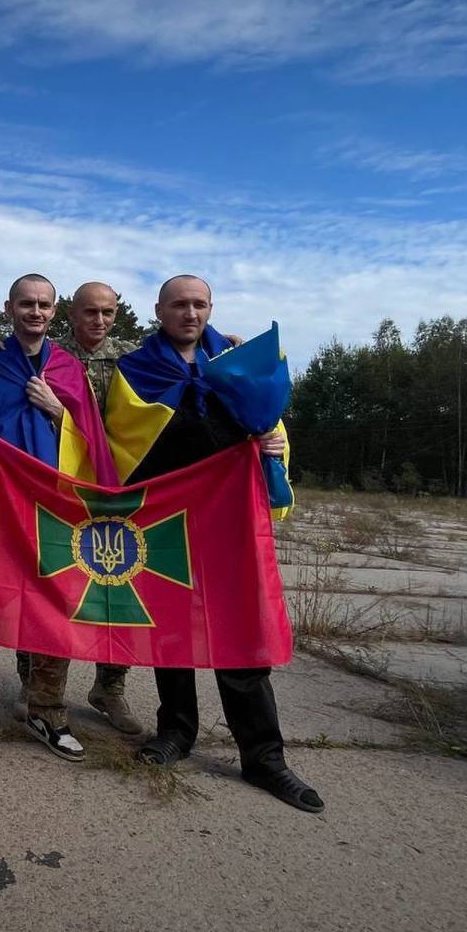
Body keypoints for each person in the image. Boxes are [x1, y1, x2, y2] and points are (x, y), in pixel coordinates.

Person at [114, 274, 323, 813]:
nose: (190, 312)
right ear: (159, 310)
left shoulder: (240, 362)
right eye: (179, 304)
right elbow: (121, 443)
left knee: (240, 634)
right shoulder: (133, 371)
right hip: (167, 521)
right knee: (172, 633)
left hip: (229, 521)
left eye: (199, 304)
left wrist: (274, 442)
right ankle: (176, 732)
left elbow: (266, 426)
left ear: (211, 308)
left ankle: (264, 756)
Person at [0, 281, 144, 735]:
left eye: (108, 312)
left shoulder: (115, 358)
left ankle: (104, 689)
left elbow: (181, 351)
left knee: (80, 594)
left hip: (81, 492)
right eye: (91, 311)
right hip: (5, 498)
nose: (100, 320)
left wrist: (57, 410)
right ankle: (10, 696)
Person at [0, 274, 93, 762]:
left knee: (54, 608)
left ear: (55, 312)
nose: (36, 311)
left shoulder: (70, 370)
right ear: (9, 307)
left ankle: (47, 710)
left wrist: (60, 414)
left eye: (44, 305)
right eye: (26, 303)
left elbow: (92, 442)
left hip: (54, 509)